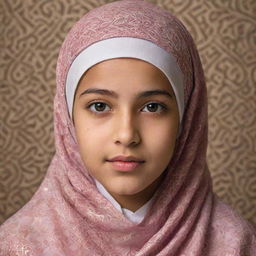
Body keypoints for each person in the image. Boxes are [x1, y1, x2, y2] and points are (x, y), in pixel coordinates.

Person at [0, 0, 255, 255]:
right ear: (67, 119)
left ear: (186, 118)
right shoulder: (19, 245)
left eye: (152, 107)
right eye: (100, 106)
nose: (126, 135)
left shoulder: (236, 245)